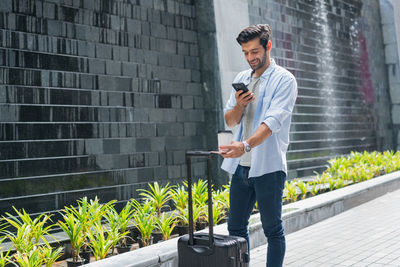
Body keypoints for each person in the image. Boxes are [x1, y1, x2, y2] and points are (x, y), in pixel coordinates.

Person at [219, 24, 297, 267]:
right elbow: (230, 120)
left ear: (268, 46)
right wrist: (240, 106)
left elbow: (270, 124)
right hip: (241, 167)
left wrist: (245, 145)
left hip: (269, 168)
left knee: (272, 229)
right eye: (245, 52)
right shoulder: (241, 79)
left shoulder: (285, 80)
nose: (250, 58)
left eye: (254, 51)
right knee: (235, 228)